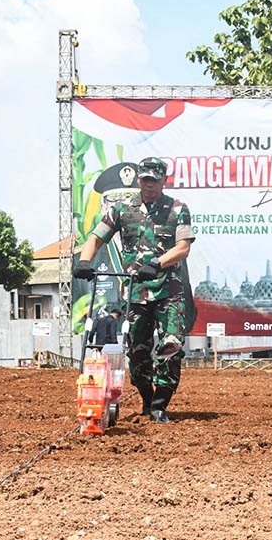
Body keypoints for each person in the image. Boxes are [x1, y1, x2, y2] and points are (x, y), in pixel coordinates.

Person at [73, 157, 193, 423]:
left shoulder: (177, 209)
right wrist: (84, 261)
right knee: (137, 352)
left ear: (164, 180)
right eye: (145, 179)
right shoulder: (122, 209)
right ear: (139, 180)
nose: (149, 185)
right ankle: (147, 399)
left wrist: (157, 263)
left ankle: (161, 403)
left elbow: (183, 247)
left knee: (171, 346)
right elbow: (95, 237)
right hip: (135, 293)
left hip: (168, 292)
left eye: (154, 180)